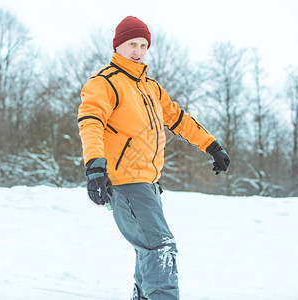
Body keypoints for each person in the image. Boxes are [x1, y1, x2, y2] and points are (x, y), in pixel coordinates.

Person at [78, 16, 230, 300]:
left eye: (143, 45)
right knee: (159, 246)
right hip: (126, 182)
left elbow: (179, 119)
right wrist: (95, 167)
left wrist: (211, 146)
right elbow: (91, 122)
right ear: (118, 46)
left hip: (149, 183)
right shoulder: (104, 83)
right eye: (132, 44)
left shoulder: (151, 88)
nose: (137, 50)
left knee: (148, 248)